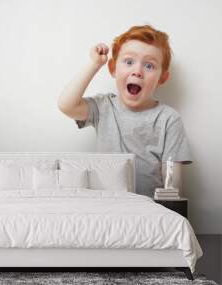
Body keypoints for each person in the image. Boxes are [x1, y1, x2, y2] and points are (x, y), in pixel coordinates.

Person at [58, 25, 191, 197]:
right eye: (129, 62)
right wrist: (95, 64)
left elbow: (173, 186)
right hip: (107, 206)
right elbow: (66, 105)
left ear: (162, 78)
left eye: (149, 66)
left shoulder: (169, 119)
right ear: (113, 68)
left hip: (148, 211)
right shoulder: (103, 107)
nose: (137, 72)